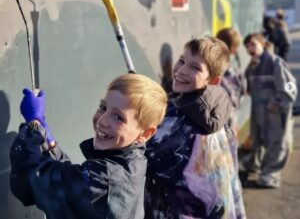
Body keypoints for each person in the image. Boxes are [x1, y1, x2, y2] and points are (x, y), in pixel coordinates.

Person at [10, 73, 168, 219]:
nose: (102, 121)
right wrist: (49, 141)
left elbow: (30, 183)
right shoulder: (134, 162)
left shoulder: (105, 179)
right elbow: (74, 177)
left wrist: (32, 127)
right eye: (103, 108)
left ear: (146, 134)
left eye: (118, 117)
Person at [145, 37, 246, 219]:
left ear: (212, 81)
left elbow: (143, 157)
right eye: (182, 61)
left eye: (195, 67)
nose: (181, 70)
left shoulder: (175, 123)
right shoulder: (217, 109)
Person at [242, 33, 297, 188]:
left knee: (276, 143)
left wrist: (279, 101)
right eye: (247, 47)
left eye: (252, 44)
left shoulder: (276, 62)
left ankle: (271, 175)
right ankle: (256, 165)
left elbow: (291, 84)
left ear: (262, 43)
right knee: (257, 140)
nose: (249, 49)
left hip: (276, 112)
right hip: (258, 110)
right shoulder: (253, 66)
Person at [216, 27, 246, 170]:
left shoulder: (216, 62)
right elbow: (240, 89)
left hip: (219, 115)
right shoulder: (230, 64)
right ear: (233, 48)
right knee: (229, 151)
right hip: (229, 115)